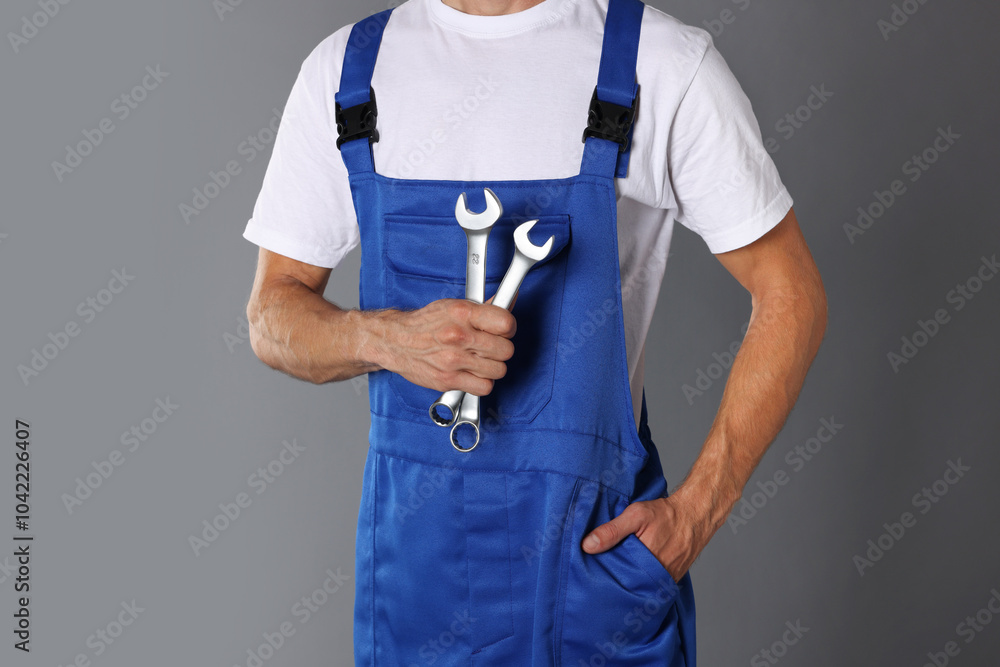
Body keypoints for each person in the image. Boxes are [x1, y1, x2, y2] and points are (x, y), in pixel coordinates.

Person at [243, 0, 827, 664]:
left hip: (592, 581)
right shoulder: (349, 76)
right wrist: (385, 338)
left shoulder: (657, 63)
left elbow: (792, 294)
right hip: (416, 589)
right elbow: (272, 315)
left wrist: (697, 512)